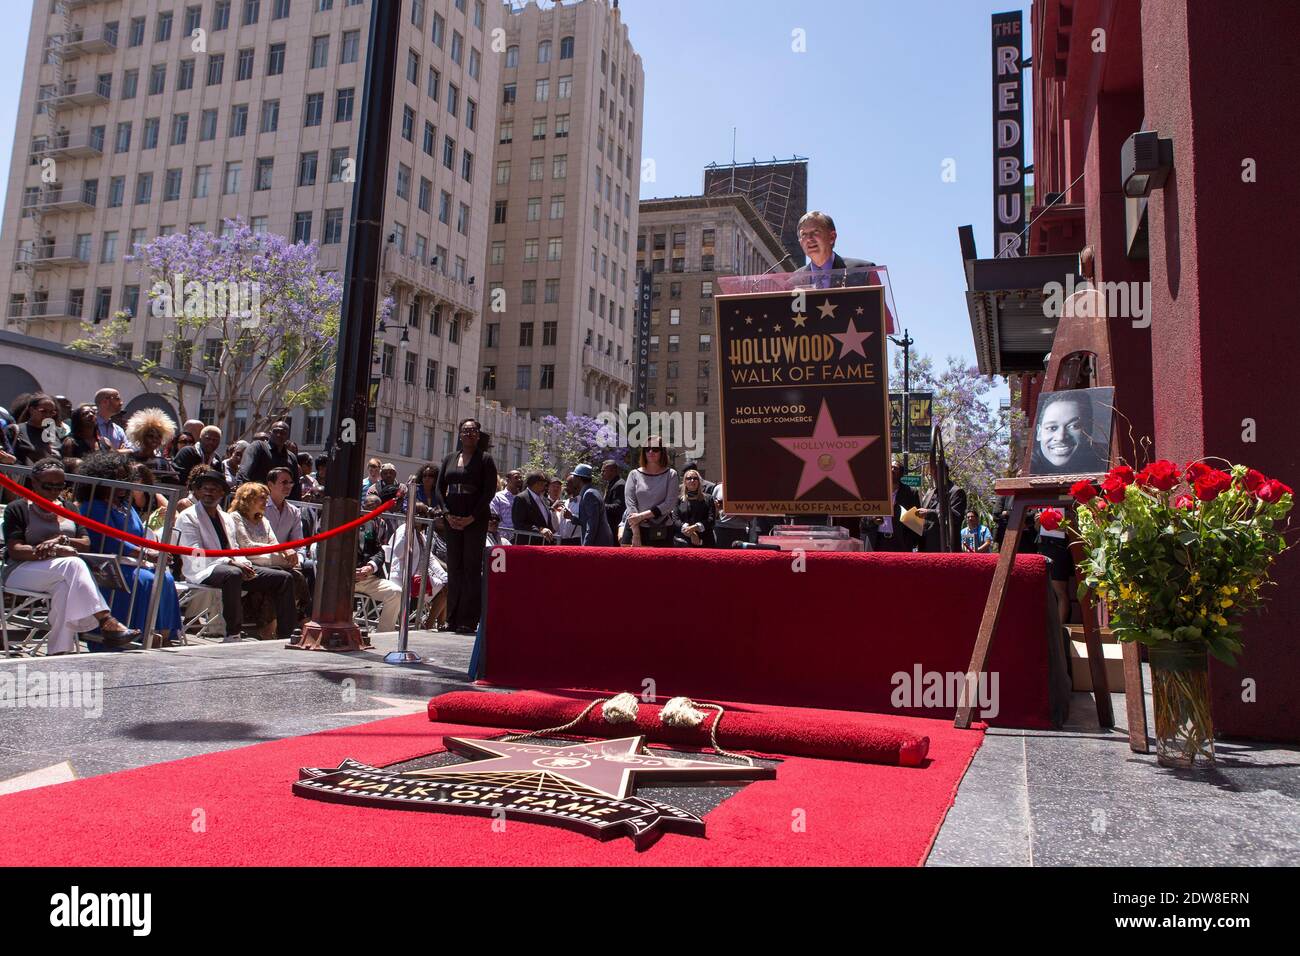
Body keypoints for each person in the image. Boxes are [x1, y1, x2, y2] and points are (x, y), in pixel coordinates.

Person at [1, 458, 140, 653]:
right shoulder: (18, 508)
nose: (54, 491)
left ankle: (59, 651)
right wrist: (54, 550)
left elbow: (86, 543)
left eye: (60, 486)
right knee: (73, 564)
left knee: (65, 588)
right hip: (21, 569)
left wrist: (61, 540)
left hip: (60, 571)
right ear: (34, 483)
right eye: (48, 486)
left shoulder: (69, 508)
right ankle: (106, 620)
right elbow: (16, 550)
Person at [173, 468, 296, 643]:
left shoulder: (225, 517)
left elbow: (236, 548)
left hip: (234, 564)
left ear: (222, 493)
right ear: (198, 491)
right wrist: (231, 562)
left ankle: (286, 635)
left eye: (214, 489)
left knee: (284, 577)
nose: (209, 492)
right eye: (205, 488)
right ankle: (233, 633)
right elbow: (195, 553)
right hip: (204, 568)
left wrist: (241, 562)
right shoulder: (188, 517)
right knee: (233, 574)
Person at [76, 451, 183, 645]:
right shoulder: (94, 506)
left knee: (165, 577)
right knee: (144, 580)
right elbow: (110, 541)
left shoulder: (126, 506)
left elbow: (141, 535)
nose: (123, 483)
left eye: (125, 478)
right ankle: (136, 632)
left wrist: (155, 552)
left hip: (132, 560)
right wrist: (146, 554)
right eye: (117, 478)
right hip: (106, 563)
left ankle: (161, 633)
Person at [435, 418, 497, 634]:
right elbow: (439, 488)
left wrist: (472, 517)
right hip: (451, 517)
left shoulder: (486, 460)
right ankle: (451, 619)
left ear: (478, 435)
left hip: (475, 519)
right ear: (459, 434)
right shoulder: (449, 458)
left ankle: (468, 620)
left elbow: (488, 492)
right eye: (465, 430)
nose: (469, 434)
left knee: (471, 568)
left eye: (473, 431)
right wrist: (446, 514)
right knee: (454, 567)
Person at [229, 481, 308, 637]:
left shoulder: (263, 521)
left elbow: (274, 544)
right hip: (247, 563)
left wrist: (284, 550)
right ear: (248, 499)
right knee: (283, 577)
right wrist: (282, 551)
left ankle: (290, 622)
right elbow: (246, 545)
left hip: (267, 562)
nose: (266, 502)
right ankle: (282, 630)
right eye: (262, 498)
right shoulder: (235, 518)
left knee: (297, 575)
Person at [264, 466, 313, 617]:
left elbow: (299, 542)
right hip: (266, 556)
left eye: (291, 483)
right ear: (270, 485)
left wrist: (298, 558)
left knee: (311, 566)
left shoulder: (294, 511)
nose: (288, 486)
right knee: (291, 576)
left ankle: (307, 614)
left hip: (289, 559)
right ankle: (295, 616)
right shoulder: (260, 507)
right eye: (284, 482)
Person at [354, 489, 403, 631]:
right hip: (345, 579)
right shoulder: (350, 522)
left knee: (396, 592)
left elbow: (380, 551)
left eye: (376, 509)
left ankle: (384, 633)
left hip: (369, 577)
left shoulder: (379, 524)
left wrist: (370, 566)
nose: (373, 512)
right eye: (369, 508)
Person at [790, 211, 877, 289]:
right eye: (804, 234)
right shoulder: (792, 282)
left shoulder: (862, 272)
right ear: (800, 242)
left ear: (832, 237)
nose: (809, 239)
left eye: (815, 232)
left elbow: (880, 306)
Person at [1030, 390, 1107, 476]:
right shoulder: (1027, 467)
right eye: (1052, 428)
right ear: (1039, 433)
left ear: (1089, 428)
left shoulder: (1107, 458)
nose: (1060, 437)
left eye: (1073, 426)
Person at [624, 438, 680, 547]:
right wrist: (636, 534)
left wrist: (641, 516)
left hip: (662, 531)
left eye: (655, 449)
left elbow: (669, 504)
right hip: (636, 529)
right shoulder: (634, 474)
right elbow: (631, 505)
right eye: (647, 449)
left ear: (662, 452)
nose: (650, 452)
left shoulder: (671, 474)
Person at [236, 420, 300, 497]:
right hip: (257, 501)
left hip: (279, 505)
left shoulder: (291, 457)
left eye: (283, 432)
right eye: (275, 431)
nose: (279, 435)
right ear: (270, 433)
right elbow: (244, 472)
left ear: (287, 436)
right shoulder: (258, 447)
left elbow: (295, 486)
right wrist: (244, 492)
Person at [872, 461, 922, 552]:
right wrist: (873, 518)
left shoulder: (910, 493)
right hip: (878, 542)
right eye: (890, 467)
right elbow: (865, 515)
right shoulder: (876, 491)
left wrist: (910, 541)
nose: (892, 470)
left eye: (895, 468)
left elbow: (916, 521)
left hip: (901, 543)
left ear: (901, 474)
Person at [124, 408, 181, 485]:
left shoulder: (163, 462)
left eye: (159, 437)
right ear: (141, 437)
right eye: (151, 436)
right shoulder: (130, 458)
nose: (155, 440)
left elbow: (175, 482)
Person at [918, 464, 967, 553]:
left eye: (938, 472)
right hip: (925, 547)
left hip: (945, 548)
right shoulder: (930, 492)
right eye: (933, 472)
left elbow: (954, 517)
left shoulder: (956, 492)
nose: (935, 475)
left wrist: (929, 513)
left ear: (946, 473)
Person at [6, 393, 62, 465]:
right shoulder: (14, 430)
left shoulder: (53, 434)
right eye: (43, 411)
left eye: (51, 412)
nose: (48, 415)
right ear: (31, 410)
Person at [567, 464, 614, 546]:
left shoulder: (589, 494)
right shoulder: (590, 492)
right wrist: (572, 517)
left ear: (579, 478)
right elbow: (587, 520)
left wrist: (585, 548)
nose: (572, 478)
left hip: (598, 544)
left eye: (574, 476)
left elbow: (592, 525)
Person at [674, 467, 717, 548]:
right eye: (689, 478)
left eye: (695, 478)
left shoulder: (708, 498)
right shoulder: (679, 499)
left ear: (699, 481)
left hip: (705, 541)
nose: (692, 480)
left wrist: (695, 527)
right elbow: (676, 519)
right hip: (684, 542)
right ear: (685, 482)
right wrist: (692, 533)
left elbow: (711, 519)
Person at [511, 471, 556, 545]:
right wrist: (539, 530)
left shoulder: (544, 499)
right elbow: (518, 524)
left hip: (545, 544)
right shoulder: (521, 498)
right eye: (543, 482)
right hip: (528, 545)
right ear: (536, 483)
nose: (545, 485)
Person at [710, 482, 750, 549]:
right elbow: (713, 515)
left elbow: (750, 517)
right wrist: (716, 508)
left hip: (739, 530)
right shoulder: (718, 488)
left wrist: (732, 508)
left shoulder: (746, 488)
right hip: (720, 530)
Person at [491, 470, 523, 543]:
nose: (519, 480)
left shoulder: (523, 498)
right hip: (503, 539)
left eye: (520, 477)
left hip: (521, 539)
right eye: (516, 477)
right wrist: (509, 535)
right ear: (508, 480)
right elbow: (495, 517)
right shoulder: (497, 497)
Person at [601, 460, 625, 540]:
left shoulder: (619, 485)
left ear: (612, 471)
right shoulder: (611, 484)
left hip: (615, 530)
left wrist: (600, 506)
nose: (601, 473)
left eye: (604, 471)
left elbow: (618, 507)